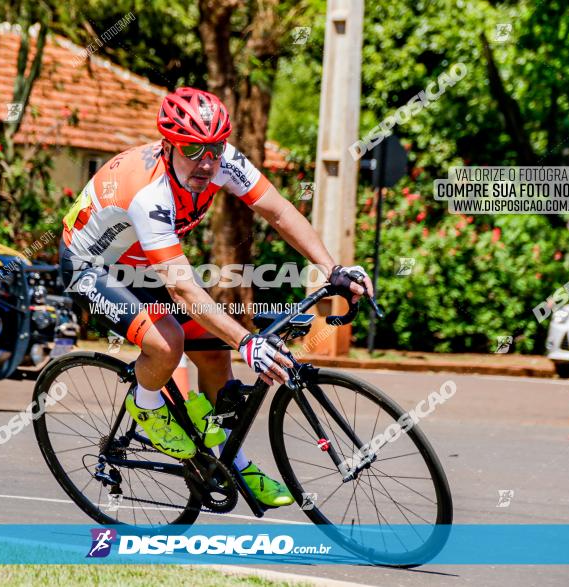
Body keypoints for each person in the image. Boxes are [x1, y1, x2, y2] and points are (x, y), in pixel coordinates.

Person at [58, 87, 372, 507]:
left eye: (215, 148)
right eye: (193, 149)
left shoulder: (225, 162)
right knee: (167, 341)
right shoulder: (149, 194)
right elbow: (182, 288)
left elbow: (278, 211)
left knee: (213, 353)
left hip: (142, 263)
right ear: (169, 146)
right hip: (91, 267)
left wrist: (332, 268)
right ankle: (146, 403)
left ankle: (230, 460)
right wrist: (247, 340)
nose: (207, 162)